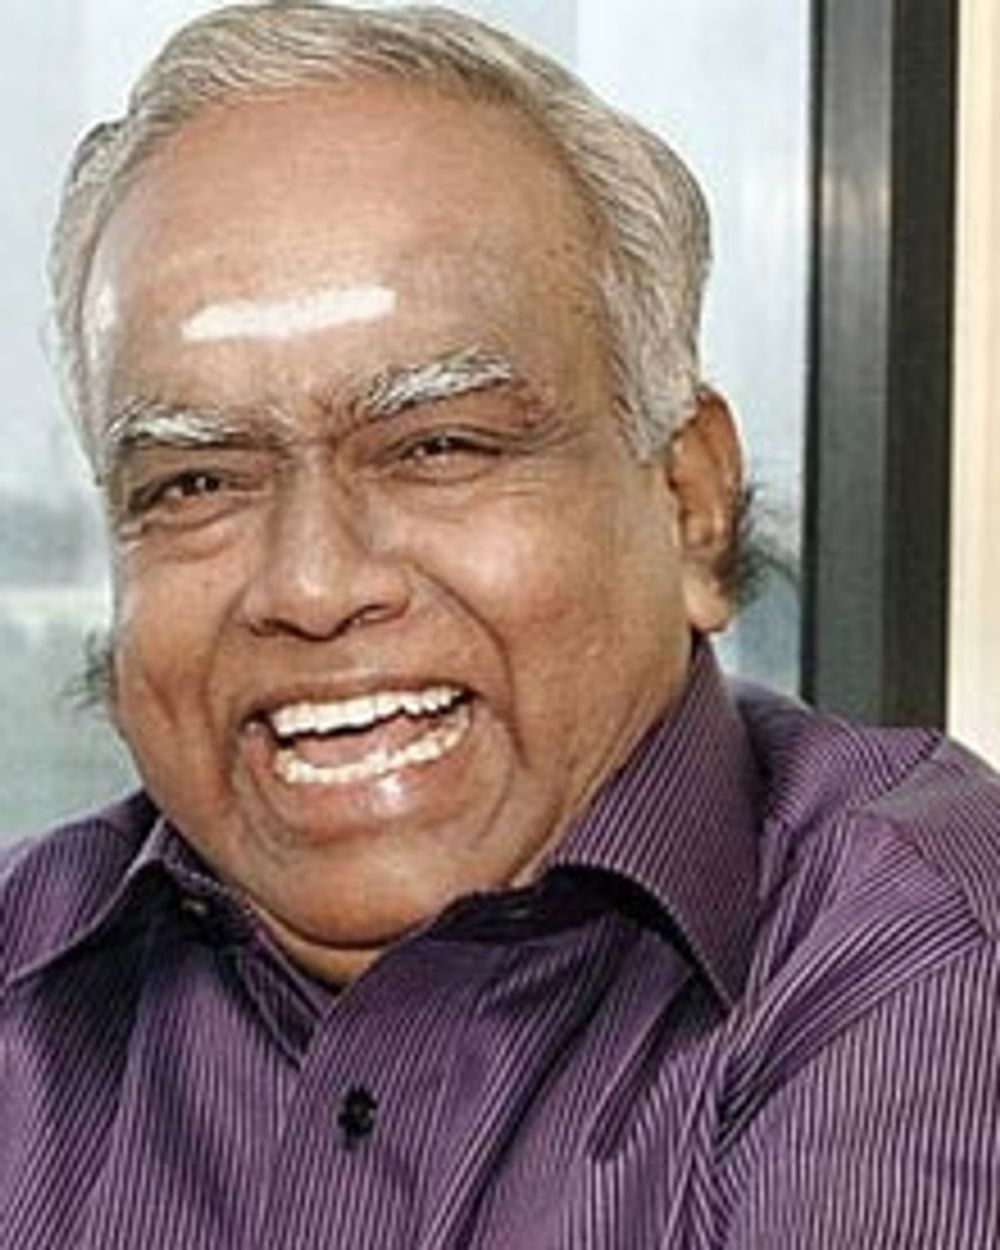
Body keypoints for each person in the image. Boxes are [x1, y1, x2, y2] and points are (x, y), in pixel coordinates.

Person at [2, 3, 999, 1246]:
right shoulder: (26, 977)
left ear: (689, 500)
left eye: (438, 447)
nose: (310, 585)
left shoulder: (922, 947)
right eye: (196, 482)